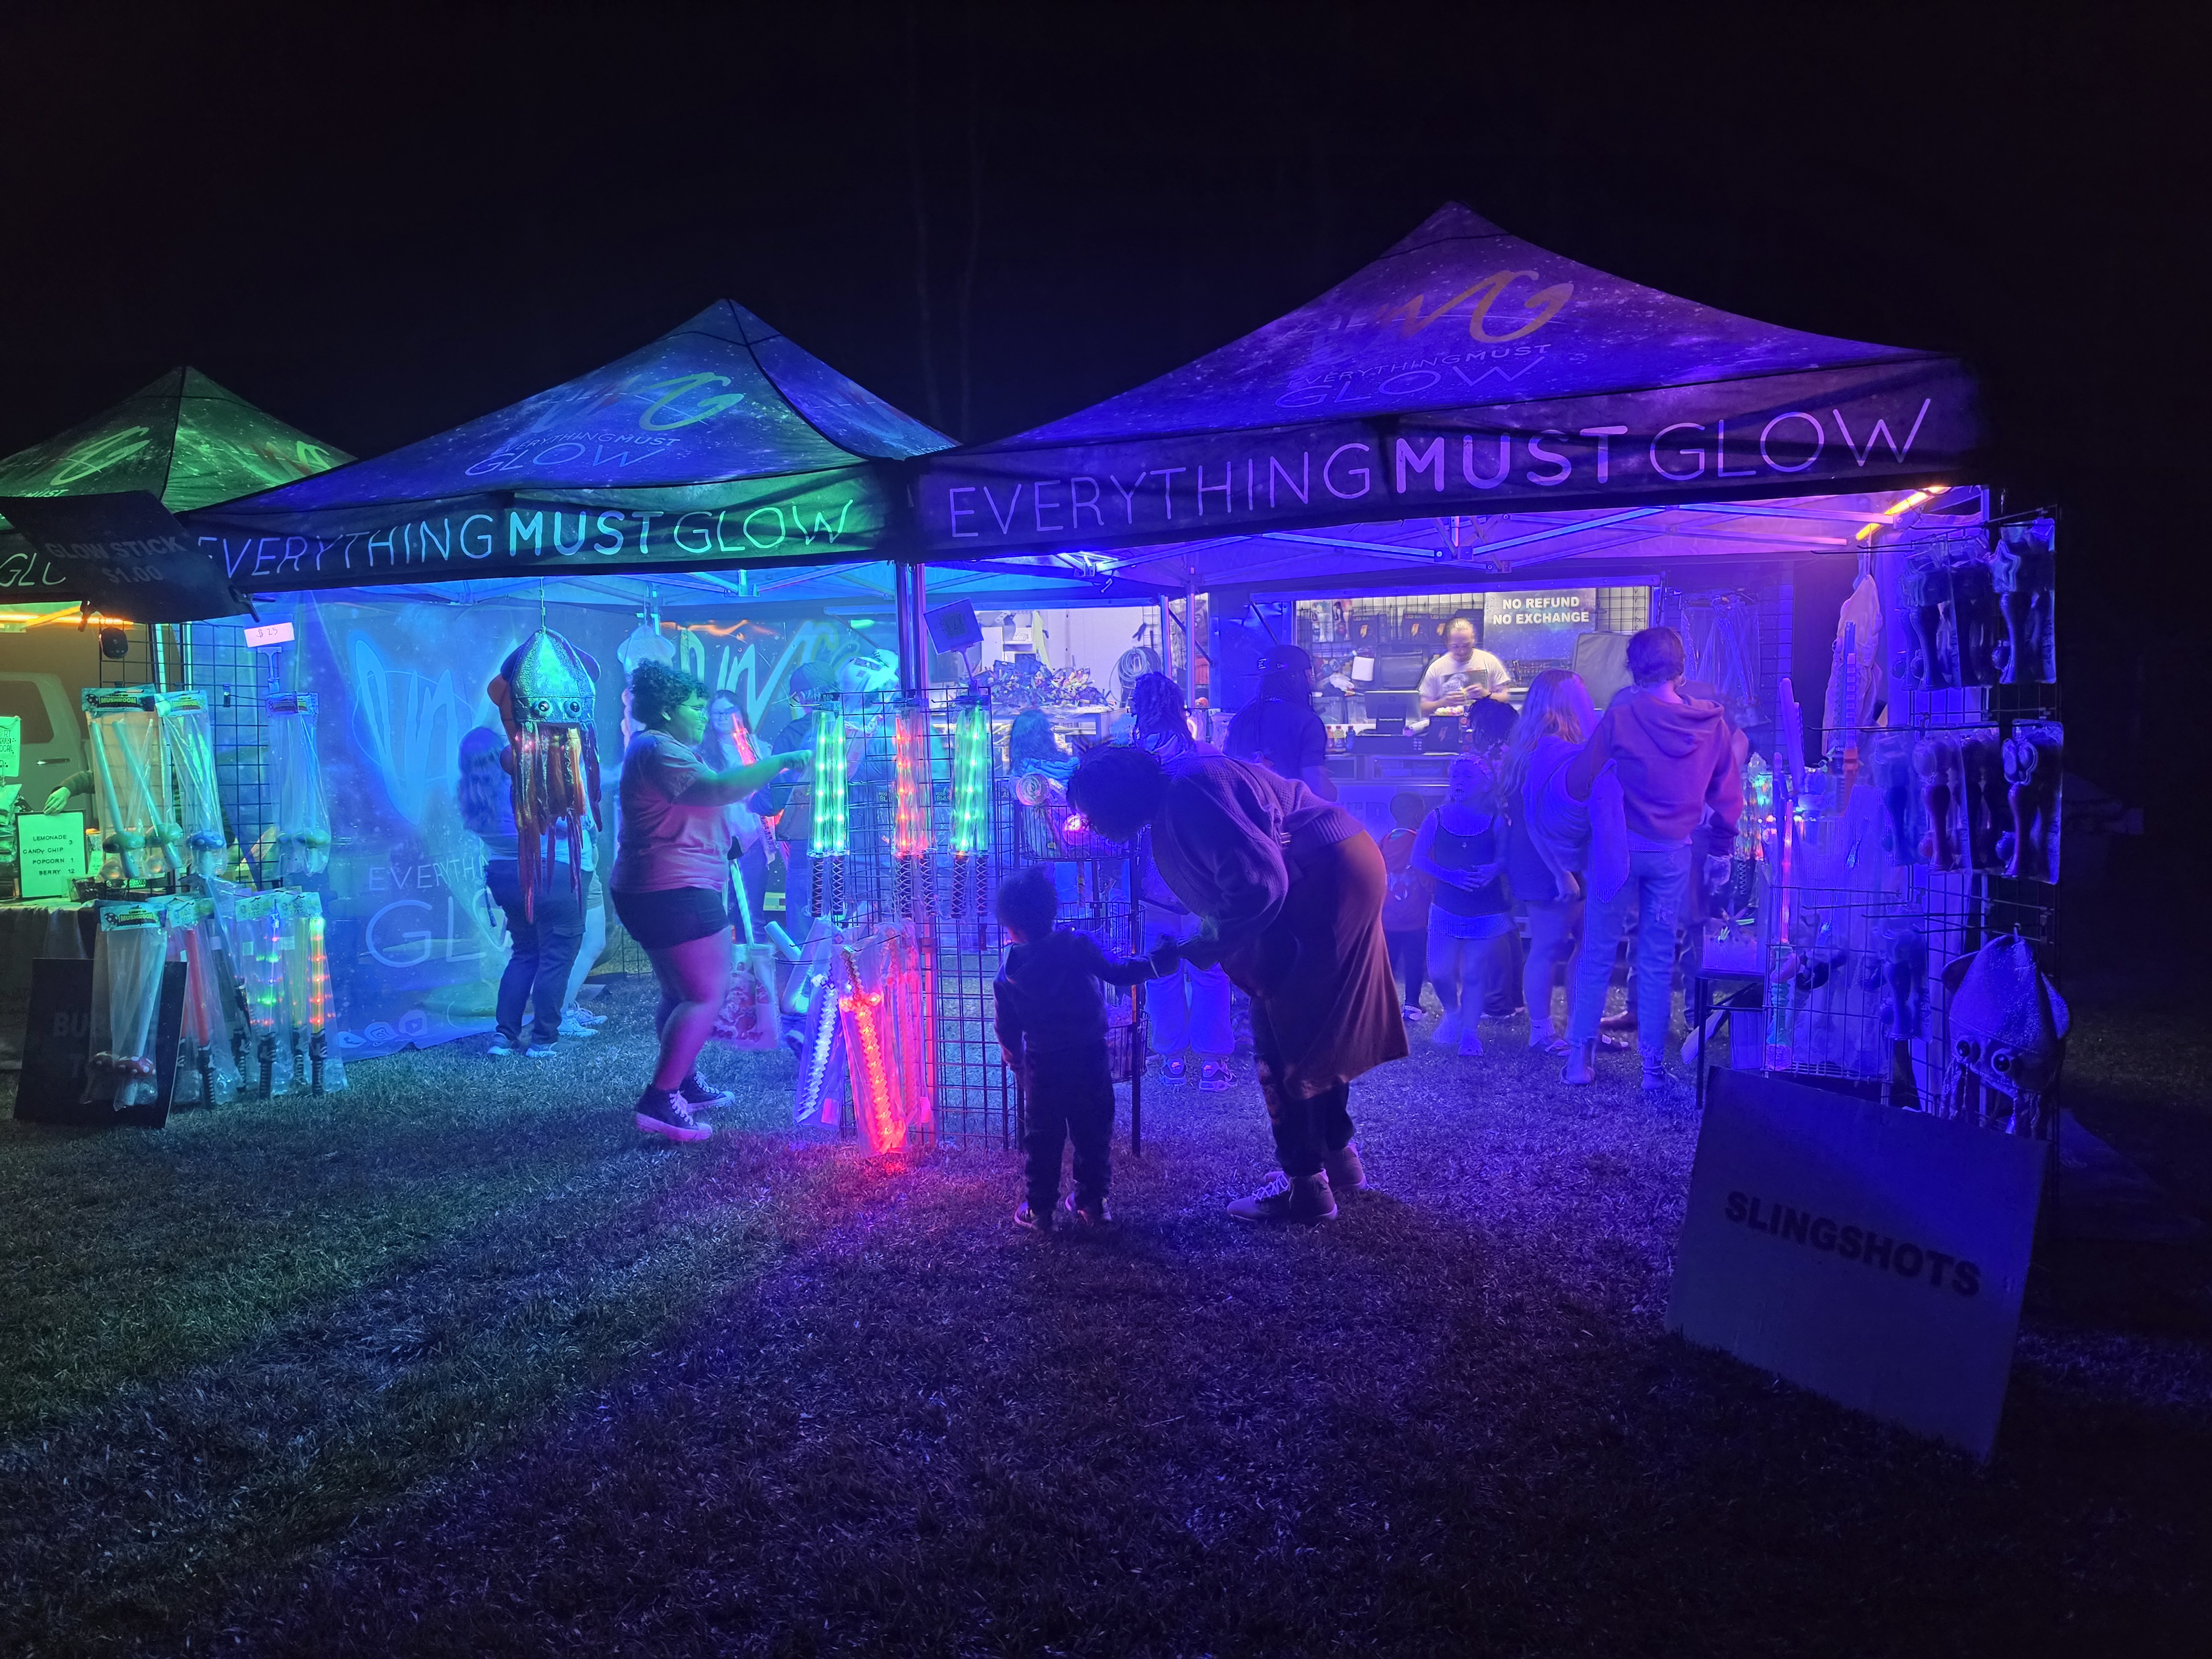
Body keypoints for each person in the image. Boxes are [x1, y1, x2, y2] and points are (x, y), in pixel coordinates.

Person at [1067, 742, 1406, 1223]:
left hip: (1325, 879)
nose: (1092, 827)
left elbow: (1260, 886)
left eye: (1093, 815)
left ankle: (1306, 1186)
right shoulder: (1181, 785)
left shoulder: (1187, 795)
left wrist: (1196, 947)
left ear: (1118, 798)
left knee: (1281, 1033)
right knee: (1315, 1029)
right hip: (1335, 867)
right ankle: (1338, 1158)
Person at [611, 661, 808, 1142]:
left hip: (661, 886)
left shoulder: (660, 748)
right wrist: (781, 761)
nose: (703, 716)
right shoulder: (658, 749)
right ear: (666, 709)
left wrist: (725, 843)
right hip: (673, 889)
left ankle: (682, 1082)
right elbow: (718, 791)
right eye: (695, 708)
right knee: (706, 994)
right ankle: (662, 1098)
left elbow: (692, 810)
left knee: (680, 993)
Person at [1561, 627, 1741, 1090]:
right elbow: (1727, 796)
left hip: (1618, 850)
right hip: (1673, 854)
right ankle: (1653, 1071)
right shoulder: (1712, 725)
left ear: (1633, 667)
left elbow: (1577, 783)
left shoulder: (1621, 717)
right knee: (1659, 960)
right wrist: (1721, 847)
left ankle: (1578, 1062)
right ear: (1681, 668)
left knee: (1598, 952)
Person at [994, 865, 1158, 1231]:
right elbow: (1119, 971)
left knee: (1042, 1139)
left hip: (1042, 1066)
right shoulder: (1077, 945)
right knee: (1093, 1132)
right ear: (1053, 911)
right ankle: (1093, 1203)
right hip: (1090, 1057)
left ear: (1010, 927)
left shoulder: (1007, 976)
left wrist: (1017, 1065)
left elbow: (1007, 1030)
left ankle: (1040, 1211)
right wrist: (1156, 964)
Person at [1127, 673, 1234, 1088]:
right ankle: (1212, 1063)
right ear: (1178, 708)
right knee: (1210, 970)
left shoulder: (1134, 761)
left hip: (1152, 881)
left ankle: (1172, 1059)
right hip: (1202, 880)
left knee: (1161, 971)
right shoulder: (1207, 755)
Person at [457, 725, 587, 1057]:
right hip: (547, 872)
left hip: (503, 877)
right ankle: (543, 1040)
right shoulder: (518, 785)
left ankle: (504, 1037)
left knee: (525, 953)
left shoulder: (470, 792)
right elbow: (559, 828)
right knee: (556, 957)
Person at [1500, 670, 1598, 1055]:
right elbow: (1531, 817)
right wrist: (1561, 873)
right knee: (1549, 943)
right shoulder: (1546, 748)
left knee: (1584, 941)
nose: (1587, 697)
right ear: (1562, 700)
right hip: (1546, 859)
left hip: (1561, 856)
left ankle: (1579, 1029)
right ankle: (1541, 1031)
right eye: (1580, 691)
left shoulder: (1537, 746)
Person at [1412, 752, 1513, 1058]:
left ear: (1486, 784)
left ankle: (1470, 1033)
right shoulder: (1437, 817)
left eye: (1468, 777)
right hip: (1445, 907)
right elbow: (1418, 858)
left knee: (1473, 972)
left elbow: (1506, 859)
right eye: (1456, 776)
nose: (1459, 782)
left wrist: (1494, 869)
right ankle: (1453, 1013)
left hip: (1486, 910)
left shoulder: (1497, 820)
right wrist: (1451, 877)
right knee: (1439, 971)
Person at [1223, 644, 1337, 801]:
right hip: (1290, 813)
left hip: (1243, 813)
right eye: (1309, 675)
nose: (1311, 681)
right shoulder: (1308, 722)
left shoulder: (1241, 719)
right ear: (1297, 678)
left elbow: (1226, 772)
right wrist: (1335, 793)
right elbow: (1317, 786)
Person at [1379, 791, 1433, 1023]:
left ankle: (1382, 1006)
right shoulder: (1421, 842)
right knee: (1414, 962)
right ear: (1419, 815)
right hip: (1416, 919)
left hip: (1387, 918)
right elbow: (1427, 877)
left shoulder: (1383, 842)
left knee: (1387, 963)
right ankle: (1411, 1006)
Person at [1417, 617, 1514, 722]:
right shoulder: (1437, 668)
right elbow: (1422, 709)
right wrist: (1443, 703)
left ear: (1473, 638)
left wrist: (1486, 695)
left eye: (1466, 645)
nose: (1461, 651)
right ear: (1447, 642)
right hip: (1449, 727)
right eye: (1455, 646)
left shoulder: (1489, 661)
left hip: (1485, 724)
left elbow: (1505, 698)